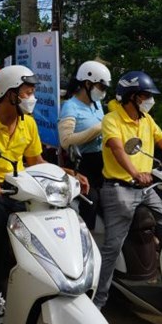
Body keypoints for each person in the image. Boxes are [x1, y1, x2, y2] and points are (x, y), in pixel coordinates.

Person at [0, 65, 89, 324]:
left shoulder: (28, 124)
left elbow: (35, 161)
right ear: (9, 94)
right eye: (27, 92)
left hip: (23, 190)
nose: (32, 98)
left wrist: (67, 173)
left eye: (32, 92)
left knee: (62, 215)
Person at [93, 71, 162, 309]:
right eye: (145, 95)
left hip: (147, 188)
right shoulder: (112, 119)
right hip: (119, 188)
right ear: (132, 97)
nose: (149, 100)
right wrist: (135, 173)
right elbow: (117, 148)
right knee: (113, 245)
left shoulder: (146, 119)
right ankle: (99, 299)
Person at [59, 60, 111, 230]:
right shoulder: (70, 106)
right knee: (91, 201)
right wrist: (98, 129)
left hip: (101, 163)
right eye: (101, 87)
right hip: (81, 164)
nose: (103, 92)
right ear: (87, 84)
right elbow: (65, 141)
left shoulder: (97, 105)